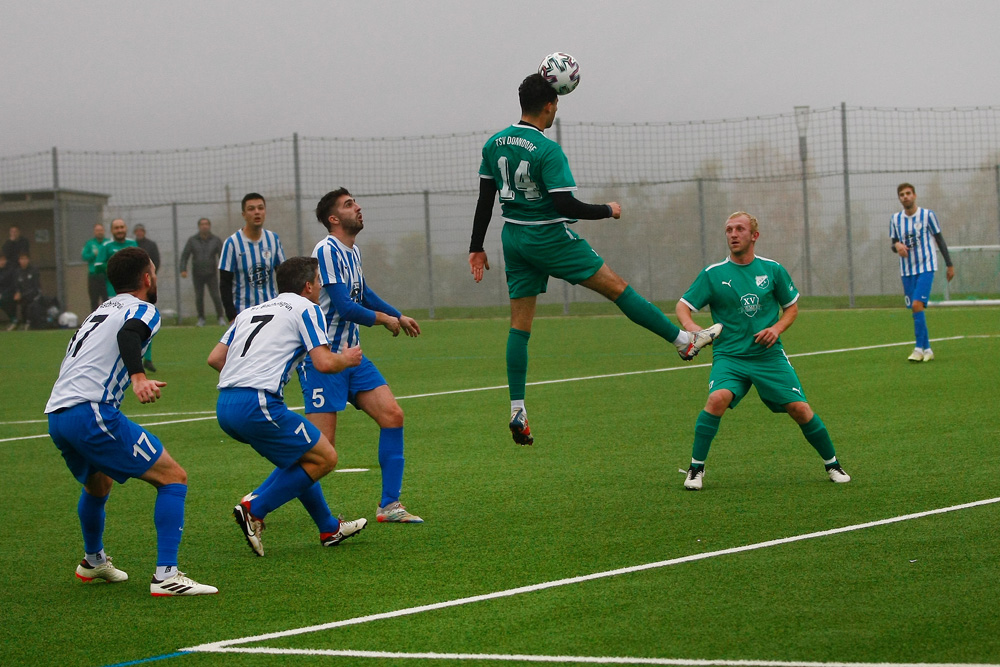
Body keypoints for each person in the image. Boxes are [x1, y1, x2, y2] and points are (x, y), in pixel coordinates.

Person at [469, 73, 721, 445]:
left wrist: (476, 246)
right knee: (617, 288)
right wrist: (608, 210)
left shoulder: (494, 143)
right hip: (548, 236)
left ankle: (517, 408)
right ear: (551, 104)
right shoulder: (546, 149)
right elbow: (565, 204)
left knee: (519, 326)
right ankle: (683, 341)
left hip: (513, 238)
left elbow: (484, 200)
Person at [44, 246, 217, 596]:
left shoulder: (99, 312)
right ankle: (167, 576)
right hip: (91, 412)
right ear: (147, 278)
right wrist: (138, 376)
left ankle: (93, 561)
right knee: (173, 477)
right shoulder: (144, 309)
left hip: (58, 415)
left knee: (99, 484)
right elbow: (128, 337)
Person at [675, 212, 850, 491]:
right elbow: (683, 306)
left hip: (768, 356)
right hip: (730, 357)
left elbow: (791, 308)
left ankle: (832, 464)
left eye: (740, 229)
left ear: (754, 236)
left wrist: (777, 329)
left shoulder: (773, 270)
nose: (733, 234)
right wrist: (693, 330)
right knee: (717, 399)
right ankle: (696, 469)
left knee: (800, 409)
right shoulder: (713, 274)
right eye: (729, 229)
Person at [207, 256, 366, 556]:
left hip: (226, 405)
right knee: (325, 457)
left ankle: (329, 527)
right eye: (318, 282)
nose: (320, 287)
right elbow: (322, 361)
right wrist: (346, 359)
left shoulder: (251, 311)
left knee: (299, 459)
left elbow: (215, 358)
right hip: (257, 403)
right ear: (308, 286)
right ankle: (255, 508)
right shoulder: (308, 307)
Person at [299, 188, 423, 524]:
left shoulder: (352, 252)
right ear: (333, 219)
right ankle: (259, 502)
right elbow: (343, 305)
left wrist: (397, 314)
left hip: (352, 358)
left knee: (393, 415)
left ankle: (389, 506)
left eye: (355, 202)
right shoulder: (326, 250)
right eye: (349, 205)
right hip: (325, 360)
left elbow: (364, 294)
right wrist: (384, 320)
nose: (358, 207)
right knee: (321, 450)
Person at [890, 183, 955, 362]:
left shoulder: (927, 216)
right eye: (902, 194)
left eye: (908, 193)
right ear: (899, 199)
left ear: (915, 195)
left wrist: (949, 265)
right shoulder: (895, 219)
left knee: (917, 304)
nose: (906, 197)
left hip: (926, 267)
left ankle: (918, 349)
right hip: (907, 270)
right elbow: (894, 243)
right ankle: (928, 349)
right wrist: (897, 246)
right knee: (914, 308)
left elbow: (939, 240)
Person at [219, 193, 285, 322]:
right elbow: (224, 283)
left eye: (260, 208)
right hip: (243, 314)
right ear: (243, 214)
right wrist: (231, 316)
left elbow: (283, 275)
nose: (257, 212)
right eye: (251, 209)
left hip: (271, 311)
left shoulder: (273, 239)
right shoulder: (232, 243)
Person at [179, 217, 226, 326]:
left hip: (212, 274)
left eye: (206, 224)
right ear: (199, 226)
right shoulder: (192, 240)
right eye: (202, 224)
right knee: (199, 297)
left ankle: (220, 317)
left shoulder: (215, 240)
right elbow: (185, 256)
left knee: (215, 296)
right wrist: (183, 269)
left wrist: (225, 271)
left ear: (209, 226)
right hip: (197, 274)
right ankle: (201, 318)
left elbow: (223, 256)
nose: (204, 226)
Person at [132, 224, 161, 372]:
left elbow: (156, 261)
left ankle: (147, 359)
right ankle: (134, 358)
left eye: (141, 230)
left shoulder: (150, 245)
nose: (139, 233)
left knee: (146, 322)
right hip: (131, 289)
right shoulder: (132, 245)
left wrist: (150, 279)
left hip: (145, 287)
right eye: (136, 231)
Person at [97, 219, 138, 298]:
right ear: (112, 230)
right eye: (116, 228)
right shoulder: (106, 246)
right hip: (113, 290)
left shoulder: (132, 243)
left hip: (133, 289)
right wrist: (116, 267)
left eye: (122, 227)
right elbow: (97, 266)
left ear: (126, 228)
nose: (119, 230)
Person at [10, 252, 41, 330]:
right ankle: (15, 321)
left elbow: (36, 287)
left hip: (33, 294)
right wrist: (17, 292)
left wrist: (22, 295)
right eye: (21, 259)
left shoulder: (34, 270)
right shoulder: (17, 272)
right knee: (10, 301)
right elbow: (16, 285)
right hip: (22, 295)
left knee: (27, 303)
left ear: (28, 260)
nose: (23, 261)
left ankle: (28, 323)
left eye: (24, 259)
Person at [81, 223, 107, 313]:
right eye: (97, 230)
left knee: (107, 300)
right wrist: (93, 254)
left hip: (105, 276)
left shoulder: (108, 243)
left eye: (101, 230)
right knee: (94, 300)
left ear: (104, 231)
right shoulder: (89, 244)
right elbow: (84, 256)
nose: (99, 232)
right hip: (94, 276)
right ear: (94, 232)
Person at [0, 255, 17, 325]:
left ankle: (13, 319)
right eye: (0, 260)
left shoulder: (10, 270)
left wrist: (3, 294)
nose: (2, 262)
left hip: (9, 293)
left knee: (3, 300)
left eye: (3, 260)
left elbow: (13, 285)